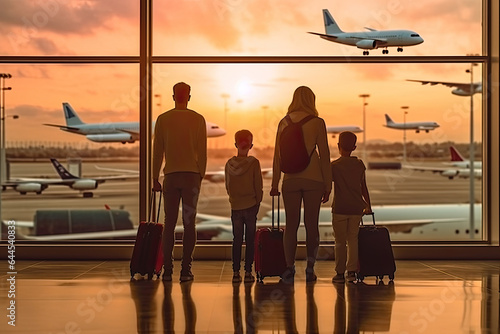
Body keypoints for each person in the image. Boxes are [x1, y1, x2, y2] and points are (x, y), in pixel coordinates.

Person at [270, 86, 332, 283]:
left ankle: (289, 269)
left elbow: (277, 156)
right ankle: (310, 269)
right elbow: (324, 155)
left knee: (291, 225)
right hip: (314, 179)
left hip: (290, 179)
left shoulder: (283, 122)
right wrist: (328, 184)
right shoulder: (317, 122)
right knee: (311, 225)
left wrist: (274, 182)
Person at [152, 82, 207, 282]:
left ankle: (167, 270)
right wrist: (200, 174)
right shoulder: (198, 119)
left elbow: (158, 151)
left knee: (169, 224)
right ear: (189, 97)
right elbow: (202, 151)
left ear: (173, 96)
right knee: (189, 223)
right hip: (191, 175)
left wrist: (154, 177)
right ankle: (186, 269)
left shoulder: (163, 119)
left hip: (171, 176)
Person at [330, 131, 372, 283]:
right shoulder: (359, 165)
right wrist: (368, 205)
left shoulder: (334, 166)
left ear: (338, 146)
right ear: (354, 147)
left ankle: (339, 273)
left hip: (340, 208)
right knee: (353, 240)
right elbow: (364, 187)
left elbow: (328, 185)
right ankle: (351, 272)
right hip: (356, 208)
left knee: (340, 242)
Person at [225, 129, 263, 283]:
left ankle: (235, 272)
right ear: (251, 145)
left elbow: (228, 185)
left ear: (235, 144)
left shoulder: (229, 164)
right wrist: (257, 202)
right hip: (251, 205)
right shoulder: (254, 163)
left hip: (236, 206)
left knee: (237, 240)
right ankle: (248, 271)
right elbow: (258, 186)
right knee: (250, 240)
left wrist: (233, 200)